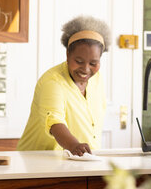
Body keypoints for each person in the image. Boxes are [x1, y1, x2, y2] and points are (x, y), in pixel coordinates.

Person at [17, 15, 111, 156]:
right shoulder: (53, 82)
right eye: (79, 61)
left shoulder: (97, 79)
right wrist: (74, 145)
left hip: (80, 160)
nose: (86, 69)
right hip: (38, 161)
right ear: (67, 54)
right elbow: (54, 122)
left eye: (93, 63)